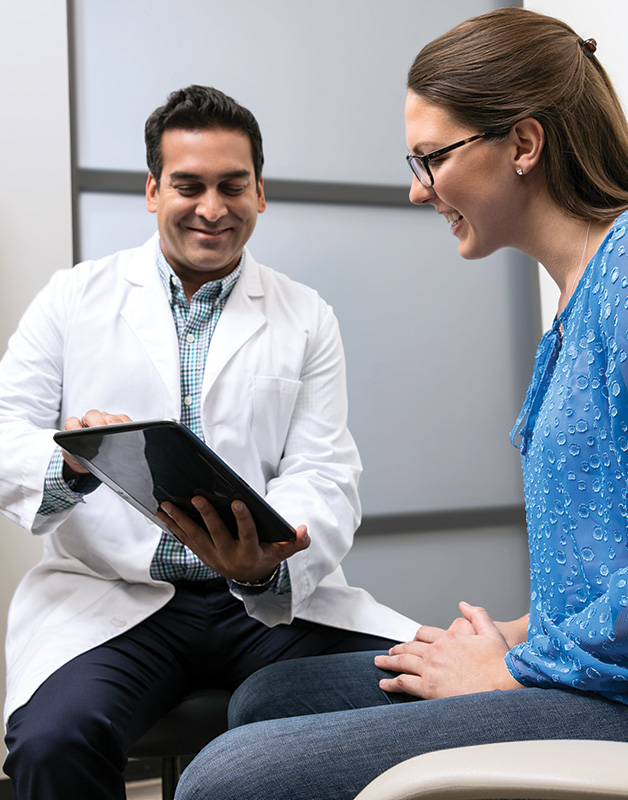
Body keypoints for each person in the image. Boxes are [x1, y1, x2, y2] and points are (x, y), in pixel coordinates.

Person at [172, 8, 628, 799]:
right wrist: (516, 634)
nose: (417, 188)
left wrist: (513, 667)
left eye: (431, 158)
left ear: (524, 144)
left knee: (230, 778)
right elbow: (624, 562)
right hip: (627, 683)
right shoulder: (580, 300)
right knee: (270, 696)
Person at [0, 85, 418, 800]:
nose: (212, 208)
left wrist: (264, 562)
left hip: (259, 601)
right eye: (188, 186)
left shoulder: (306, 315)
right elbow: (7, 429)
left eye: (232, 185)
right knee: (54, 742)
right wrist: (69, 463)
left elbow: (323, 470)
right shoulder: (73, 298)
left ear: (260, 192)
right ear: (152, 192)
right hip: (115, 597)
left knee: (421, 684)